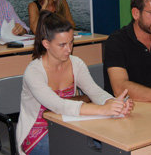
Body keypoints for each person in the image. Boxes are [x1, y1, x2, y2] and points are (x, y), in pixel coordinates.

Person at [16, 10, 133, 155]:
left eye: (71, 42)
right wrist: (103, 109)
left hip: (69, 123)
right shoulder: (33, 72)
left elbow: (94, 91)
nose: (69, 49)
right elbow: (59, 105)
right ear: (46, 43)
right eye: (62, 45)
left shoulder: (76, 63)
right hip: (38, 131)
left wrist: (113, 103)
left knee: (110, 145)